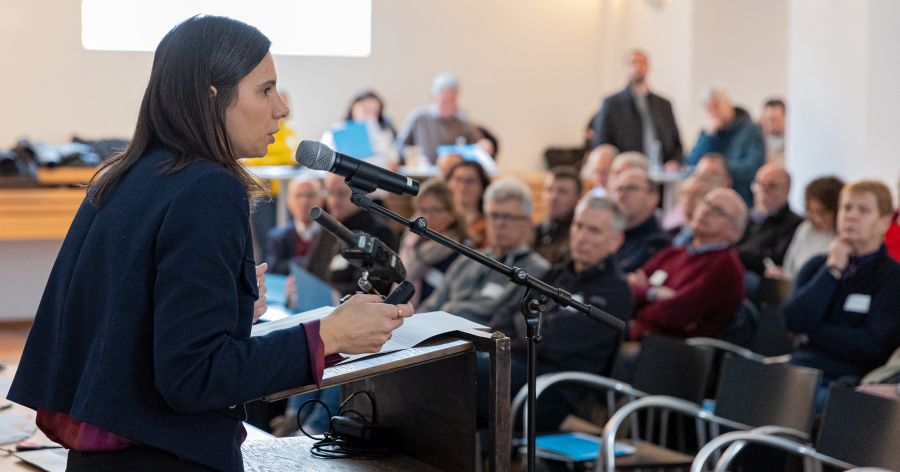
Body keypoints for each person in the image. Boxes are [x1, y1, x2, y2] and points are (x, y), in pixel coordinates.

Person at [7, 16, 413, 472]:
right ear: (211, 94)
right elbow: (193, 377)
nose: (281, 108)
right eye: (265, 89)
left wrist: (233, 306)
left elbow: (124, 322)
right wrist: (331, 334)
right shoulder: (208, 189)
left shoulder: (127, 175)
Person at [487, 194, 632, 430]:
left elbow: (551, 343)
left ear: (615, 241)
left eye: (594, 231)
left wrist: (517, 332)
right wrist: (526, 329)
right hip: (518, 369)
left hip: (556, 391)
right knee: (460, 369)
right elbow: (503, 316)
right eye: (579, 226)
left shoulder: (615, 290)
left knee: (471, 374)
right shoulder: (556, 273)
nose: (582, 237)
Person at [784, 180, 900, 412]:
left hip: (845, 380)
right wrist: (833, 270)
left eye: (863, 210)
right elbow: (792, 319)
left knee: (791, 403)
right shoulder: (818, 265)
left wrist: (811, 331)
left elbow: (871, 346)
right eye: (846, 208)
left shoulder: (892, 277)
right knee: (741, 391)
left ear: (884, 222)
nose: (851, 216)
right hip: (798, 367)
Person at [417, 178, 549, 324]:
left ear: (528, 223)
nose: (499, 223)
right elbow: (431, 306)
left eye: (508, 216)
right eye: (494, 215)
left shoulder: (537, 272)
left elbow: (505, 326)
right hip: (434, 335)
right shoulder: (468, 259)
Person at [627, 188, 748, 340]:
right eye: (706, 203)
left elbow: (674, 314)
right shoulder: (675, 252)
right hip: (637, 332)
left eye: (718, 211)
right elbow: (625, 287)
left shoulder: (725, 268)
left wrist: (640, 298)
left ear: (734, 232)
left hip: (668, 350)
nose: (706, 211)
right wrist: (654, 294)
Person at [590, 49, 683, 169]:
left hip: (660, 170)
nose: (638, 67)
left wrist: (674, 162)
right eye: (633, 62)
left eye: (642, 62)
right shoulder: (612, 103)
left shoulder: (664, 104)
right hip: (625, 170)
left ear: (648, 66)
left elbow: (676, 142)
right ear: (626, 67)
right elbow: (602, 142)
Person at [310, 173, 399, 297]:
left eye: (341, 194)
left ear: (361, 195)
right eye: (329, 193)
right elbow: (311, 269)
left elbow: (369, 289)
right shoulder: (329, 225)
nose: (334, 201)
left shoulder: (380, 232)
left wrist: (321, 292)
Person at [686, 88, 766, 206]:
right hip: (707, 195)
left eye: (717, 106)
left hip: (739, 194)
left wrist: (721, 169)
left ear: (728, 104)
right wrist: (709, 138)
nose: (714, 112)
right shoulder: (709, 132)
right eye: (709, 109)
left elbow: (754, 166)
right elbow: (692, 162)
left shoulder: (751, 130)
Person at [398, 179, 465, 305]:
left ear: (451, 214)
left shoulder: (460, 251)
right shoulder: (409, 243)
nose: (427, 217)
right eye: (423, 210)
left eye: (435, 210)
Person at [766, 176, 843, 281]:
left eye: (823, 212)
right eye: (812, 212)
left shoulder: (842, 237)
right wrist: (781, 274)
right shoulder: (806, 228)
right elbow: (790, 267)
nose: (817, 219)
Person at [396, 72, 485, 164]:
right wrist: (414, 158)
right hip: (422, 174)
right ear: (433, 97)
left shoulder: (463, 121)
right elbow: (399, 146)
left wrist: (483, 146)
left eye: (452, 100)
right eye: (444, 100)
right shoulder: (418, 117)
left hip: (451, 175)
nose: (449, 105)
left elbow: (477, 147)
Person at [735, 163, 803, 280]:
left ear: (787, 190)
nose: (763, 190)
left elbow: (777, 257)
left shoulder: (795, 223)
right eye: (760, 184)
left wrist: (737, 253)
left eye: (772, 186)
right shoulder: (744, 216)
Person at [610, 168, 670, 273]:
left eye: (631, 188)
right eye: (618, 189)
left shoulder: (659, 244)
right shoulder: (609, 235)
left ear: (653, 198)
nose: (622, 195)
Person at [265, 174, 324, 276]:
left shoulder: (332, 235)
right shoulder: (277, 236)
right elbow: (273, 268)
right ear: (289, 201)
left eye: (310, 195)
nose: (304, 201)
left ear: (321, 199)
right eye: (298, 195)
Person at [320, 90, 397, 168]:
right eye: (366, 110)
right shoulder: (335, 131)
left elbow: (393, 159)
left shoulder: (385, 132)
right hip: (345, 171)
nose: (369, 115)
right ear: (354, 107)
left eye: (374, 112)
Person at [534, 166, 583, 264]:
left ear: (577, 200)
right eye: (549, 190)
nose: (553, 197)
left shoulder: (580, 237)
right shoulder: (534, 232)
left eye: (562, 192)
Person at [445, 160, 491, 248]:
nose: (463, 186)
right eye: (458, 179)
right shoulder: (437, 218)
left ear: (482, 187)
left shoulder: (489, 226)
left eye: (470, 181)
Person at [760, 98, 786, 163]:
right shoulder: (757, 137)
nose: (770, 123)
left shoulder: (793, 140)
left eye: (774, 120)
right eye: (767, 119)